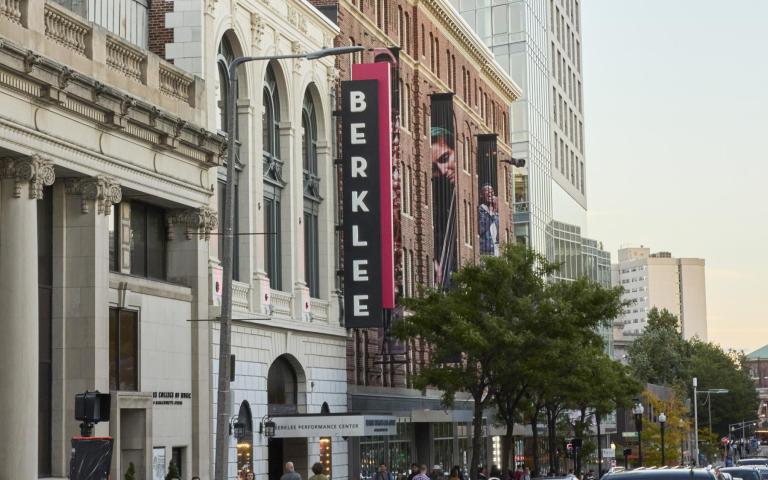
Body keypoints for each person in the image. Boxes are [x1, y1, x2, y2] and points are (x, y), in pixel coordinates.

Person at [478, 183, 500, 256]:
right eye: (487, 190)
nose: (490, 192)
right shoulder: (480, 210)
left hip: (496, 252)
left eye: (492, 191)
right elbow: (481, 229)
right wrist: (494, 212)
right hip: (484, 252)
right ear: (481, 195)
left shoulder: (497, 214)